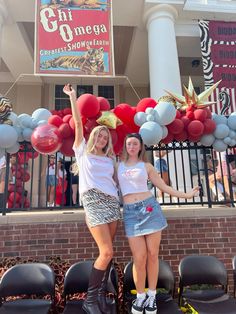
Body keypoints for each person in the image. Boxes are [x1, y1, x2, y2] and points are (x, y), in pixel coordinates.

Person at [117, 133, 199, 314]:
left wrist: (187, 195)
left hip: (150, 209)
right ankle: (140, 297)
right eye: (128, 143)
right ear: (125, 146)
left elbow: (163, 186)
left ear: (140, 147)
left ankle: (152, 296)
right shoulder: (118, 166)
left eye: (135, 144)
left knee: (153, 255)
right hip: (130, 214)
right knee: (139, 258)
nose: (131, 146)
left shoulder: (146, 166)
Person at [63, 84, 121, 314]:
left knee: (109, 253)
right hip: (93, 202)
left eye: (106, 137)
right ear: (94, 137)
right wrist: (72, 96)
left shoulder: (109, 160)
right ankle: (90, 300)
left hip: (112, 203)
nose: (103, 139)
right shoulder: (82, 152)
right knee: (106, 252)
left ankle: (102, 298)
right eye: (100, 135)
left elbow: (117, 181)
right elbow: (78, 123)